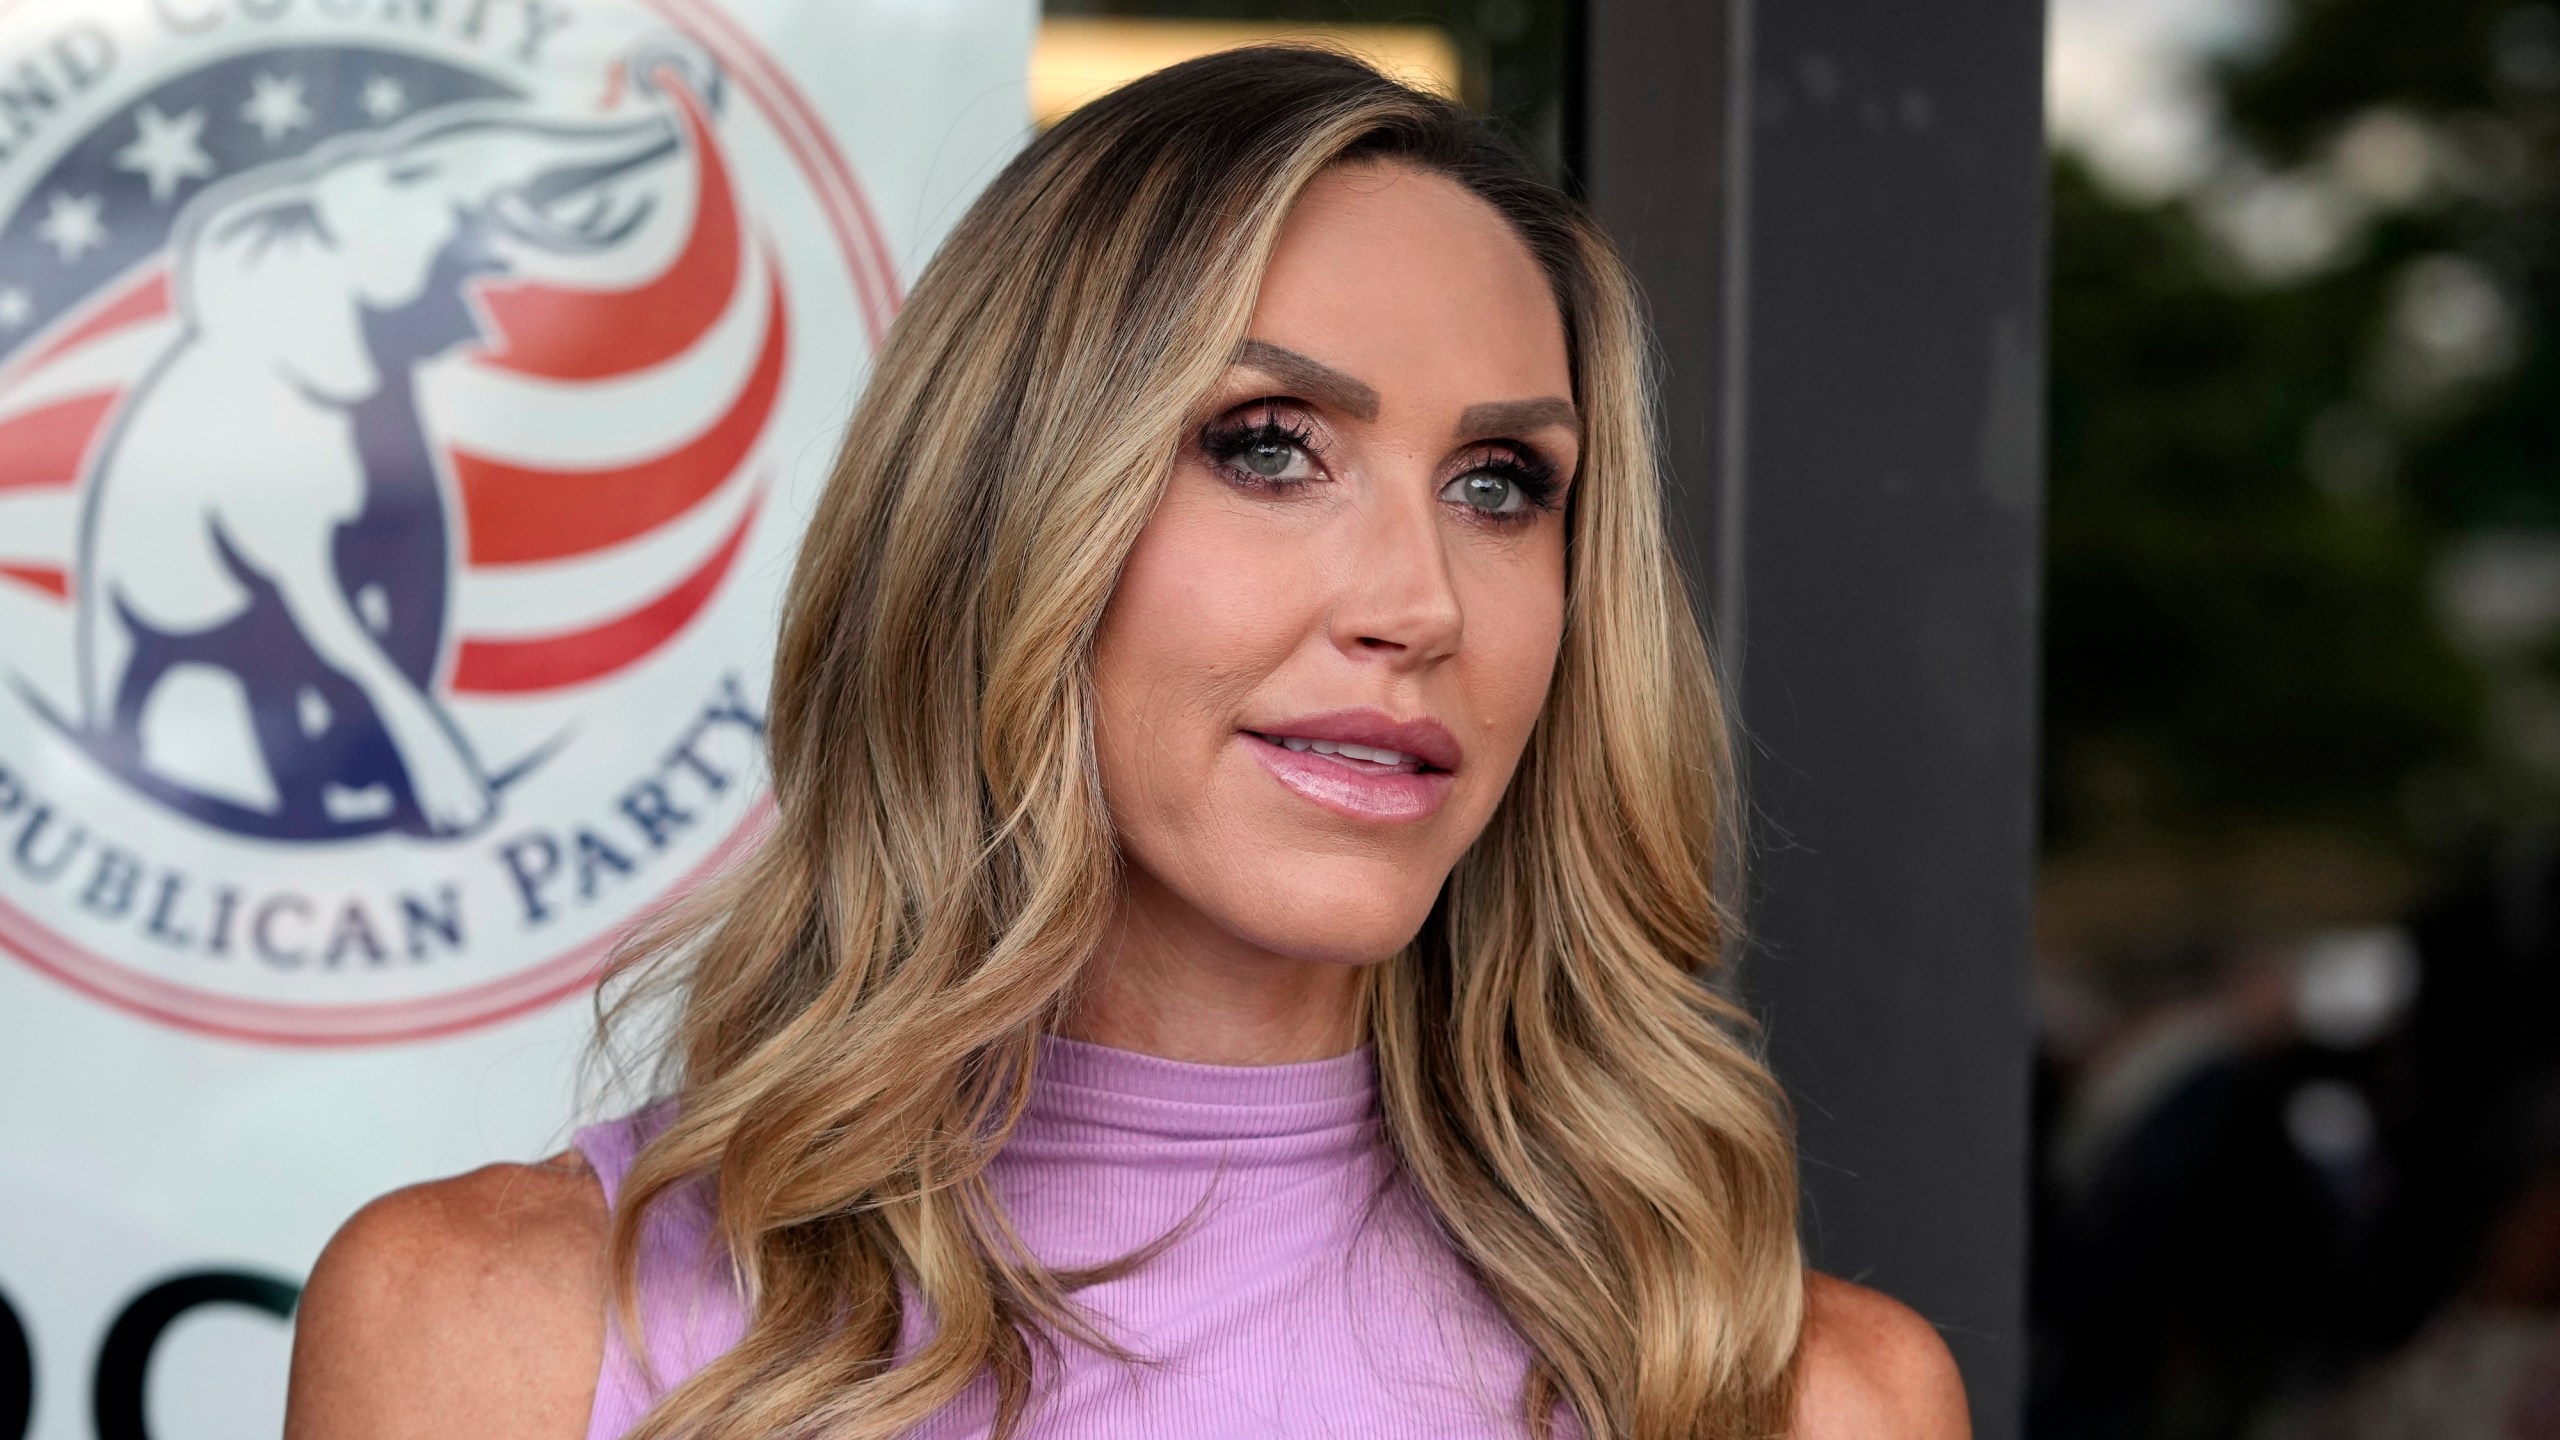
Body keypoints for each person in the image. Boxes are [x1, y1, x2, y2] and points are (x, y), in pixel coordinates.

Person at [280, 47, 1967, 1440]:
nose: (1422, 601)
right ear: (1007, 519)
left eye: (1500, 484)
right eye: (1268, 446)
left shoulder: (1801, 1399)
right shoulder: (499, 1336)